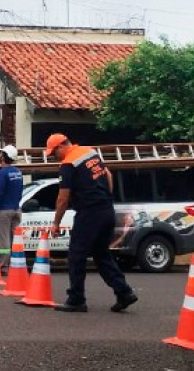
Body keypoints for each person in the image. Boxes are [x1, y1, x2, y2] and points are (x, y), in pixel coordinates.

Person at [45, 133, 138, 313]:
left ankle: (76, 299)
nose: (54, 157)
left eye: (53, 153)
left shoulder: (68, 164)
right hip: (106, 209)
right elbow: (108, 175)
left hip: (89, 213)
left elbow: (63, 198)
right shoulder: (90, 152)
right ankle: (124, 292)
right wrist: (106, 198)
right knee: (101, 254)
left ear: (60, 147)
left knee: (76, 255)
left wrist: (56, 223)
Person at [0, 145, 23, 276]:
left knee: (4, 241)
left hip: (4, 210)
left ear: (4, 157)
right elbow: (20, 191)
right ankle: (16, 264)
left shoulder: (2, 173)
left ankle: (4, 266)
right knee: (15, 239)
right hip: (17, 209)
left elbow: (0, 193)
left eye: (1, 155)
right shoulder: (18, 172)